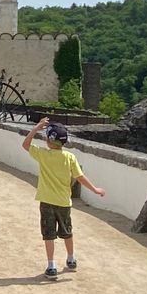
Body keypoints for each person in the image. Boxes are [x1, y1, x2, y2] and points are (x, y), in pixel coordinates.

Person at [23, 116, 106, 278]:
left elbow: (25, 145)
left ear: (48, 140)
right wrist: (95, 189)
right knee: (67, 232)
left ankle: (51, 265)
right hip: (63, 202)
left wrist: (35, 128)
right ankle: (71, 258)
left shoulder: (43, 155)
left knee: (49, 234)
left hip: (47, 201)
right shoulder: (70, 157)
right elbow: (80, 177)